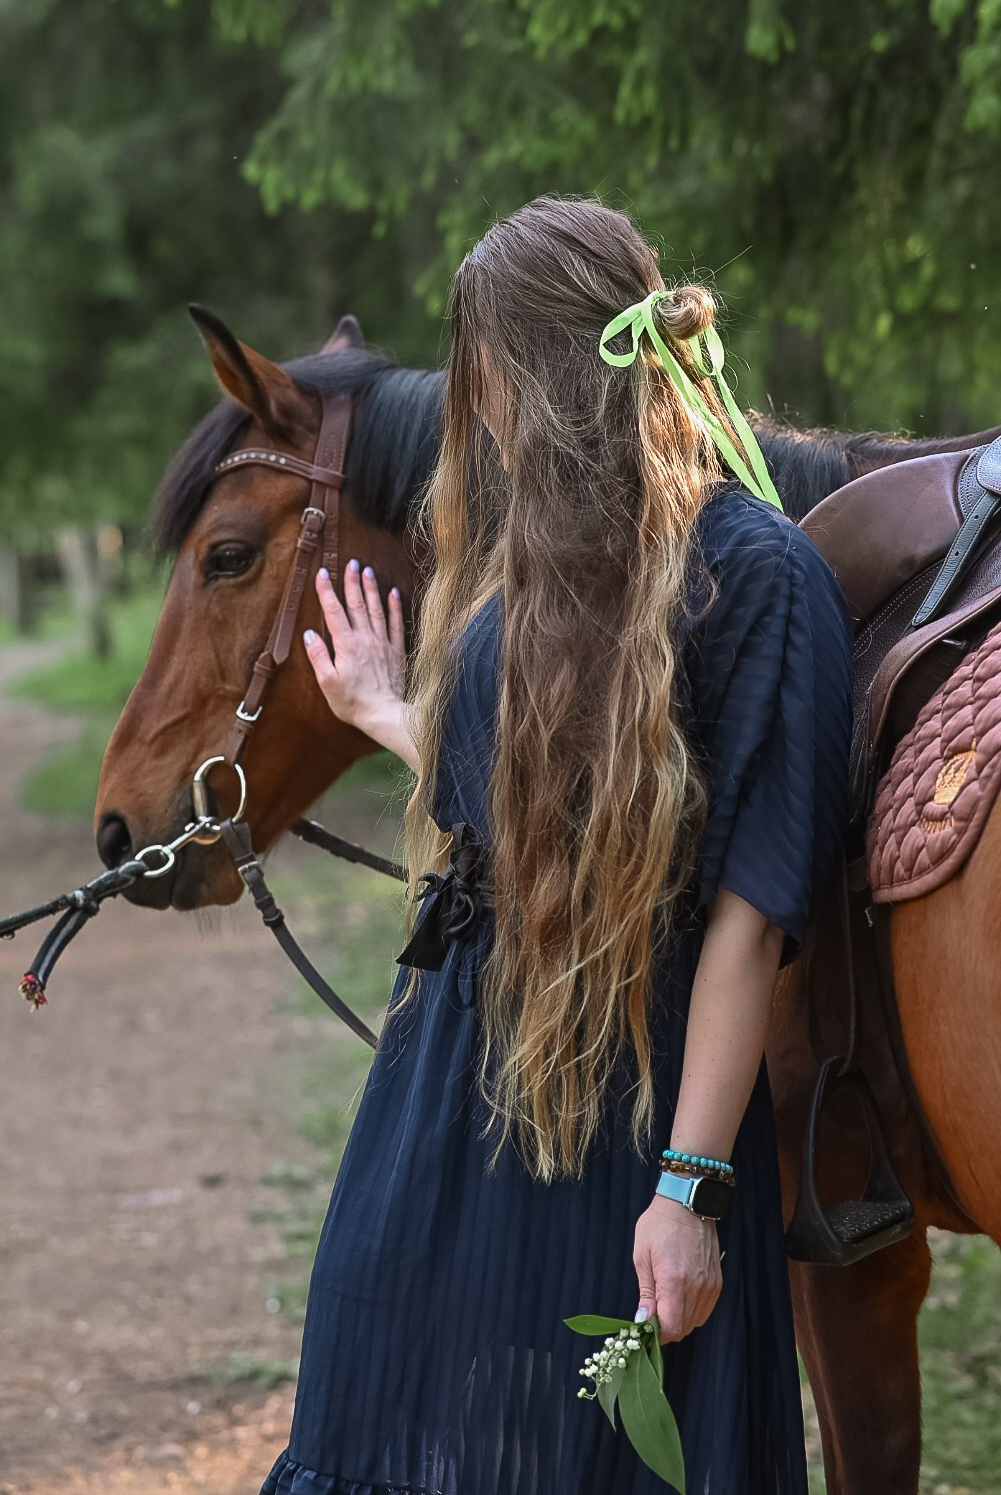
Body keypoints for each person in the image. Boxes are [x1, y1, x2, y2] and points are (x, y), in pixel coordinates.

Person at [259, 196, 853, 1495]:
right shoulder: (529, 575)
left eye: (485, 382)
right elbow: (536, 814)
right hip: (446, 1093)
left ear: (532, 374)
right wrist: (387, 715)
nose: (481, 420)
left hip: (630, 1120)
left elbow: (750, 912)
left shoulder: (753, 576)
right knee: (397, 1411)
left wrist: (688, 1192)